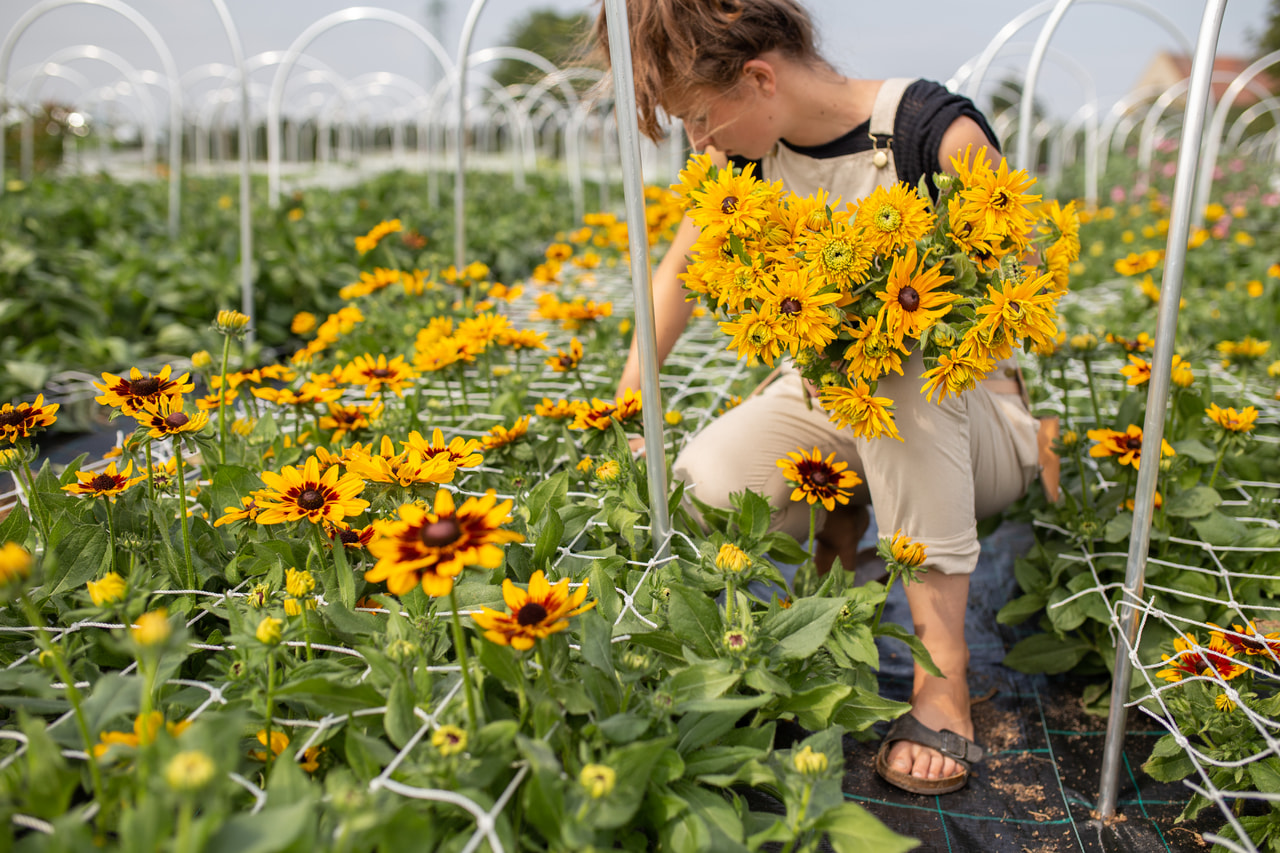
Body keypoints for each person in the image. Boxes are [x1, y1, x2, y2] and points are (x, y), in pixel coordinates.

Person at [591, 0, 1041, 795]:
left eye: (699, 119)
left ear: (760, 77)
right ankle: (846, 519)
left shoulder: (934, 135)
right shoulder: (745, 168)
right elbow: (677, 279)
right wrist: (627, 422)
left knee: (894, 357)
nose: (699, 143)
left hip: (970, 422)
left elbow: (1023, 279)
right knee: (705, 493)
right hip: (837, 408)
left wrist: (907, 306)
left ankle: (943, 684)